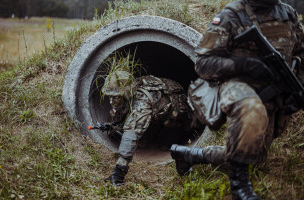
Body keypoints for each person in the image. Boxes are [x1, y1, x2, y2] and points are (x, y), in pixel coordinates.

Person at [170, 0, 304, 199]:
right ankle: (239, 187)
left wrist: (298, 91)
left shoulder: (288, 14)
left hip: (273, 92)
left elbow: (301, 53)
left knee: (253, 156)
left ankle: (190, 155)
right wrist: (241, 65)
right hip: (236, 87)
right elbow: (203, 63)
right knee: (250, 107)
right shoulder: (231, 15)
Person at [101, 70, 201, 186]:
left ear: (126, 93)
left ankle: (173, 135)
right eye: (109, 97)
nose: (111, 101)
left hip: (177, 115)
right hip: (157, 111)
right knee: (143, 142)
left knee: (164, 144)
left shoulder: (142, 102)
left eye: (116, 97)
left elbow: (132, 133)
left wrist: (118, 173)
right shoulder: (132, 87)